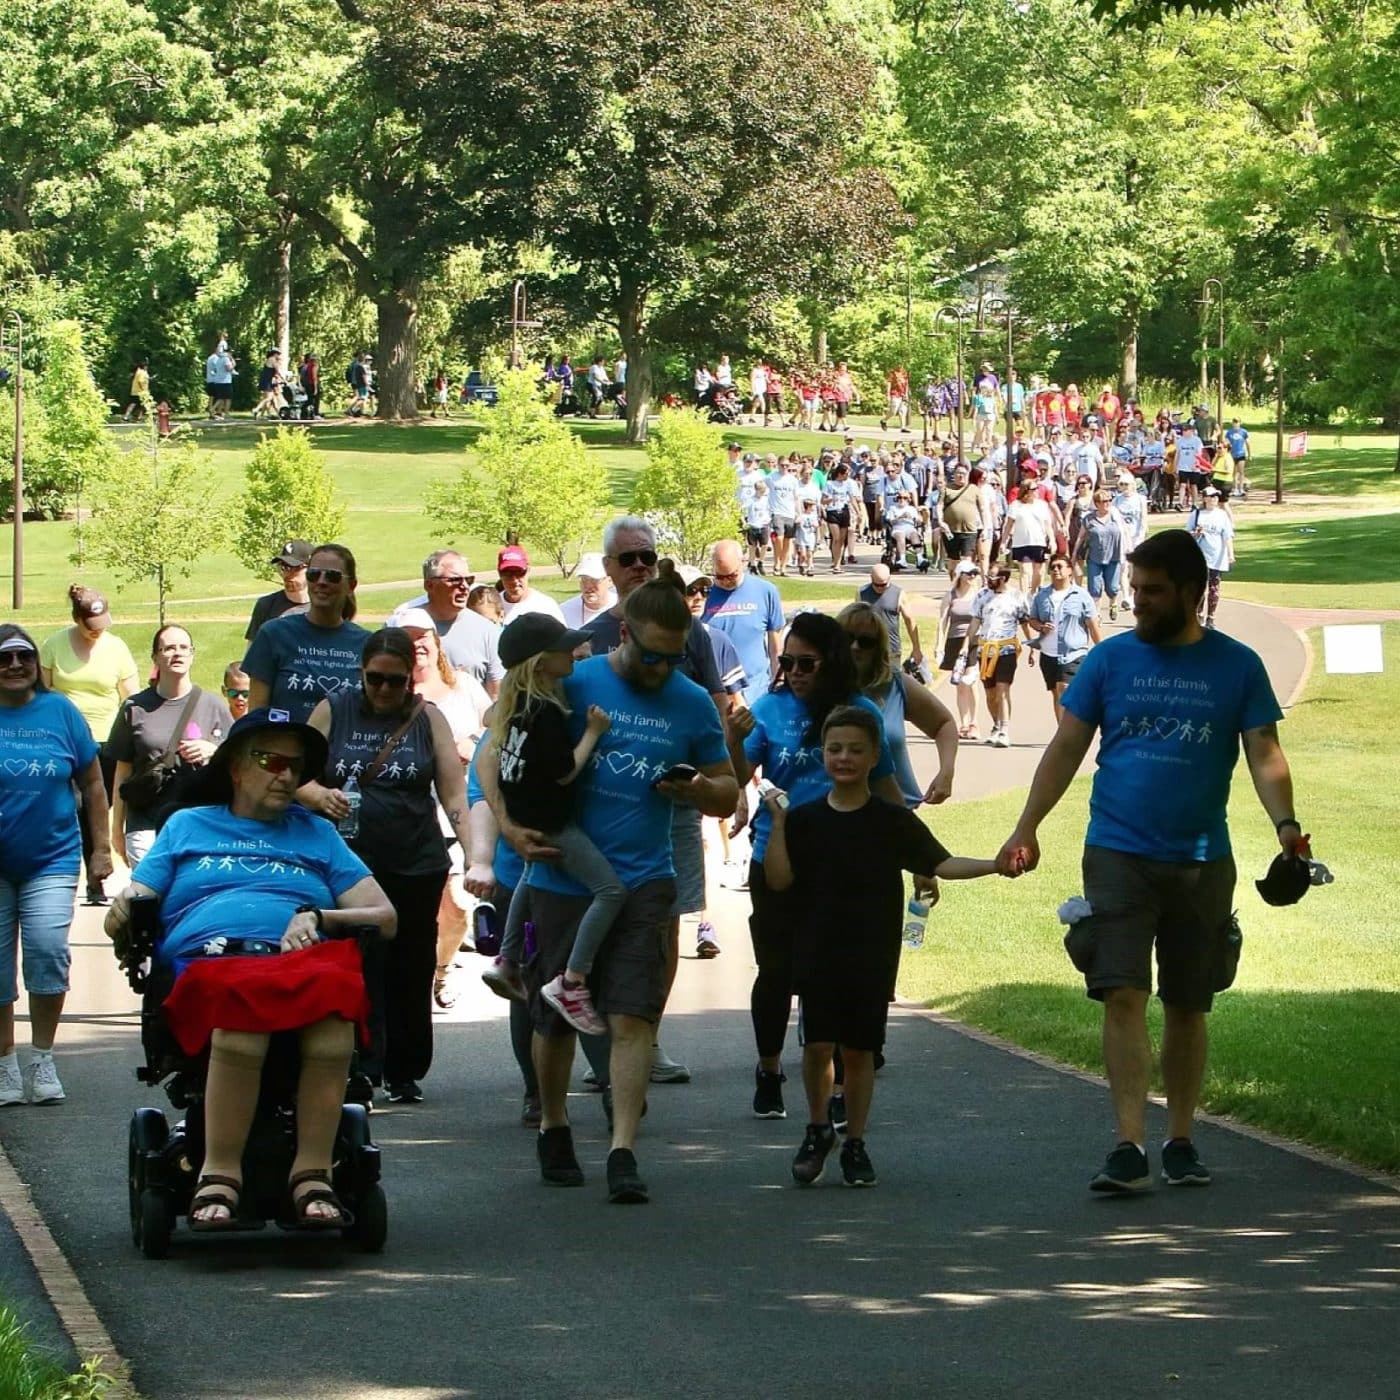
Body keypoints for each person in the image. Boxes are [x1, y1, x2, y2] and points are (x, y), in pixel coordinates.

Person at [997, 529, 1303, 1193]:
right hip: (1117, 852)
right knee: (1122, 993)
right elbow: (1066, 747)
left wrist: (1286, 826)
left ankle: (1182, 1139)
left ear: (1192, 592)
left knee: (1189, 1003)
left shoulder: (1237, 666)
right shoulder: (1110, 661)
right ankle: (1129, 1144)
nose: (1137, 601)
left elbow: (1264, 751)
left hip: (1202, 858)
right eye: (1134, 588)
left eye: (1153, 591)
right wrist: (1027, 826)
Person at [486, 577, 738, 1203]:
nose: (660, 669)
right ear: (622, 633)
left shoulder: (691, 703)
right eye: (649, 655)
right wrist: (510, 826)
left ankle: (623, 1148)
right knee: (555, 1019)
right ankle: (554, 1125)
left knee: (632, 1016)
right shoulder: (573, 679)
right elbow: (493, 751)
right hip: (562, 876)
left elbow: (727, 790)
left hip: (646, 879)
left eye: (673, 658)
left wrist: (698, 790)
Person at [104, 708, 396, 1226]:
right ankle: (219, 1174)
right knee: (242, 1016)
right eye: (272, 761)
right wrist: (123, 911)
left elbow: (384, 916)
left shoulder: (318, 834)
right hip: (212, 960)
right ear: (236, 768)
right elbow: (130, 908)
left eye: (295, 765)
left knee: (334, 1017)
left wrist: (320, 916)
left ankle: (312, 1174)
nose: (286, 774)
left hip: (299, 958)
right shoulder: (187, 825)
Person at [764, 704, 1008, 1186]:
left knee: (859, 1052)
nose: (844, 758)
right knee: (817, 1046)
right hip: (816, 950)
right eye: (835, 749)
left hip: (871, 954)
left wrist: (995, 865)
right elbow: (778, 880)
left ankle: (855, 1140)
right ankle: (818, 1129)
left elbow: (941, 864)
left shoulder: (892, 821)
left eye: (856, 750)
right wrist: (777, 824)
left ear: (875, 756)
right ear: (822, 754)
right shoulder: (804, 819)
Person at [723, 611, 903, 1120]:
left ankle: (841, 1085)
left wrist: (915, 855)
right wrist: (734, 741)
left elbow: (886, 786)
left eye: (807, 663)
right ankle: (769, 1070)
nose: (795, 673)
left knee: (840, 973)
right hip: (777, 856)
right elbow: (738, 778)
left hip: (846, 866)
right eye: (788, 663)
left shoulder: (858, 711)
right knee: (776, 970)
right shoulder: (770, 708)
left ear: (833, 662)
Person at [299, 628, 473, 1105]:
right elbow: (295, 774)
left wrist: (475, 854)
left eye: (394, 681)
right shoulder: (334, 710)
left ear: (410, 680)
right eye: (374, 678)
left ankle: (404, 1068)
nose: (383, 689)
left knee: (411, 966)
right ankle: (359, 1063)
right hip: (349, 865)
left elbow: (453, 791)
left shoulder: (427, 718)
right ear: (361, 673)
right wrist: (319, 796)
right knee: (356, 964)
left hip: (415, 861)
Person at [585, 521, 726, 1085]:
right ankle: (601, 1044)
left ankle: (647, 1036)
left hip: (674, 806)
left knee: (664, 923)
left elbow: (716, 704)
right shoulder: (589, 638)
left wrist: (716, 783)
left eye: (648, 556)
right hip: (600, 811)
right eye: (628, 558)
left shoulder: (691, 632)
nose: (640, 566)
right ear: (609, 568)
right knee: (597, 919)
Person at [479, 614, 624, 1037]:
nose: (574, 653)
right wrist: (593, 732)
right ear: (541, 662)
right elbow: (564, 772)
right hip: (552, 823)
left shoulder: (515, 707)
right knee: (610, 891)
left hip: (525, 815)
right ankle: (572, 981)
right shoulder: (546, 713)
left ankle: (507, 960)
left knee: (530, 874)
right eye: (565, 649)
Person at [0, 626, 112, 1106]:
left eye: (23, 656)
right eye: (4, 658)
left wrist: (101, 848)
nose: (15, 666)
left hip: (52, 858)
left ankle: (42, 1057)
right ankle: (5, 1063)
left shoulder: (61, 711)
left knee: (47, 952)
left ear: (36, 663)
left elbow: (93, 783)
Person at [390, 608, 488, 1008]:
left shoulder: (462, 686)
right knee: (417, 910)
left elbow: (495, 726)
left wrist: (472, 744)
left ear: (436, 641)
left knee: (457, 905)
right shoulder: (389, 692)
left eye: (423, 636)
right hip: (407, 820)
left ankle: (442, 970)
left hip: (457, 814)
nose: (417, 644)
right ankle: (416, 976)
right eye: (408, 638)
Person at [40, 586, 138, 905]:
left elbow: (131, 697)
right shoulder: (54, 645)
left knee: (98, 807)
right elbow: (42, 694)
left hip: (106, 740)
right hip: (65, 741)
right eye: (90, 625)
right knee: (76, 808)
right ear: (76, 619)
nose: (97, 631)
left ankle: (96, 869)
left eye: (102, 624)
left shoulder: (117, 648)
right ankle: (87, 878)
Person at [108, 625, 233, 869]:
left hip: (199, 822)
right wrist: (116, 830)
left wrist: (214, 751)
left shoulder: (214, 706)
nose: (177, 653)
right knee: (151, 890)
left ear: (192, 654)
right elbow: (122, 772)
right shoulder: (134, 708)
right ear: (155, 657)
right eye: (169, 648)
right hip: (145, 823)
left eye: (184, 648)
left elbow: (238, 764)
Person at [839, 602, 957, 808]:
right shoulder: (816, 687)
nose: (855, 647)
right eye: (847, 638)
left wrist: (946, 772)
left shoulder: (895, 684)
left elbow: (943, 724)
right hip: (834, 816)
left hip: (896, 814)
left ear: (878, 648)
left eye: (866, 641)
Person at [242, 544, 371, 722]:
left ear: (351, 586)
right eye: (314, 574)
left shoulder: (367, 644)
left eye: (332, 576)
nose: (321, 582)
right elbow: (255, 715)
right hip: (284, 739)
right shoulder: (274, 634)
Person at [401, 550, 504, 693]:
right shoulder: (403, 626)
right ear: (429, 585)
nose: (464, 586)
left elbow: (496, 695)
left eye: (468, 580)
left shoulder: (488, 631)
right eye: (455, 580)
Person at [961, 566, 1034, 749]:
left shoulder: (1017, 597)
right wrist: (965, 646)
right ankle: (996, 724)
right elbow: (975, 622)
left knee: (1003, 689)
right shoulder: (982, 595)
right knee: (991, 694)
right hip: (985, 650)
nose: (988, 580)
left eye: (992, 577)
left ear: (1003, 578)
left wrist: (1032, 646)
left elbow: (1025, 623)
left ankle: (1004, 730)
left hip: (1006, 649)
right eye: (987, 577)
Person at [703, 540, 783, 703]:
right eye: (720, 576)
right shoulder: (702, 595)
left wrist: (778, 681)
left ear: (743, 562)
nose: (726, 581)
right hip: (718, 692)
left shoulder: (766, 591)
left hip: (758, 689)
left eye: (732, 575)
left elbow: (775, 646)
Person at [1028, 554, 1102, 721]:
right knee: (1056, 693)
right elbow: (1032, 619)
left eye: (1060, 566)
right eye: (1053, 567)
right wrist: (1041, 627)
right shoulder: (1042, 595)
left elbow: (1092, 625)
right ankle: (1062, 729)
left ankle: (1072, 727)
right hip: (1048, 654)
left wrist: (1101, 651)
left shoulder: (1081, 596)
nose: (1055, 570)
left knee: (1064, 688)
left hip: (1073, 653)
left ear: (1070, 570)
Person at [937, 562, 982, 739]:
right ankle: (963, 723)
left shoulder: (979, 595)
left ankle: (974, 722)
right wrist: (939, 644)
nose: (972, 576)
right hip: (954, 641)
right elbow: (942, 621)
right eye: (968, 573)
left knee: (971, 681)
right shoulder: (951, 595)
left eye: (974, 573)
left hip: (973, 641)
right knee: (960, 684)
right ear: (960, 575)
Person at [244, 539, 312, 642]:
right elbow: (253, 647)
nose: (288, 574)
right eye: (284, 567)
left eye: (296, 568)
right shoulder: (266, 605)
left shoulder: (327, 606)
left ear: (312, 569)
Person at [1076, 490, 1127, 623]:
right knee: (1094, 588)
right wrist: (1074, 553)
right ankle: (1096, 614)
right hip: (1095, 558)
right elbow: (1081, 537)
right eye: (1104, 501)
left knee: (1113, 588)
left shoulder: (1115, 516)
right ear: (1097, 503)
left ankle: (1113, 603)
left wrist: (1128, 550)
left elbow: (1125, 533)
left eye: (1109, 500)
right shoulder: (1089, 519)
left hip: (1113, 557)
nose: (1107, 503)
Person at [857, 565, 922, 669]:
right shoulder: (861, 593)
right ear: (871, 578)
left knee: (893, 678)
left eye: (883, 585)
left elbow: (910, 621)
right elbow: (856, 621)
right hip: (868, 650)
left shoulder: (898, 594)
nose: (880, 588)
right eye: (876, 585)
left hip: (892, 650)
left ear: (889, 579)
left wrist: (916, 648)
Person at [1189, 488, 1235, 629]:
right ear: (1205, 498)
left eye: (1216, 496)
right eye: (1211, 496)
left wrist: (1230, 554)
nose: (1214, 499)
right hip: (1200, 556)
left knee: (1214, 587)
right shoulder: (1196, 514)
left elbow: (1227, 536)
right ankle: (1199, 615)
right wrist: (1196, 533)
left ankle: (1211, 617)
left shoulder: (1222, 515)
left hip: (1217, 556)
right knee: (1200, 587)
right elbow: (1188, 534)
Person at [1001, 480, 1058, 595]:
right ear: (1026, 491)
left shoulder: (1042, 505)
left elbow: (1048, 525)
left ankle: (1033, 593)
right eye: (1034, 489)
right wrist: (1003, 542)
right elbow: (1009, 525)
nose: (1037, 491)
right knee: (1025, 571)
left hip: (1039, 542)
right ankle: (1024, 596)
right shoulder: (1015, 505)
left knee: (1039, 571)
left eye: (1037, 488)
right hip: (1021, 542)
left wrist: (1052, 540)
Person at [497, 546, 564, 623]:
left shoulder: (546, 606)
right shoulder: (490, 607)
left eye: (519, 572)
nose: (514, 580)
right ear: (499, 573)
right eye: (507, 573)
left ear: (528, 570)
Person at [939, 463, 984, 579]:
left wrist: (985, 527)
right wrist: (940, 521)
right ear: (954, 474)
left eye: (963, 473)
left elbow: (982, 509)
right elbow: (939, 506)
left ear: (968, 474)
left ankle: (964, 585)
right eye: (958, 473)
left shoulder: (974, 489)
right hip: (950, 531)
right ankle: (954, 583)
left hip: (969, 531)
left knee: (966, 561)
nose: (960, 476)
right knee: (953, 560)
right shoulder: (946, 489)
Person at [561, 553, 617, 630]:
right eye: (584, 579)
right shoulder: (564, 611)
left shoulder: (621, 607)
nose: (588, 585)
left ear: (610, 580)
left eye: (594, 580)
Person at [205, 343, 235, 419]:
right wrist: (233, 363)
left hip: (218, 381)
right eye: (230, 352)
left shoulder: (219, 358)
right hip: (225, 381)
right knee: (227, 398)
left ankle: (219, 411)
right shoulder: (226, 359)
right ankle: (217, 410)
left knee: (221, 398)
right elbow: (229, 368)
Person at [1224, 418, 1251, 498]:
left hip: (1241, 453)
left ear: (1239, 423)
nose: (1235, 424)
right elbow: (1226, 442)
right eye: (1234, 422)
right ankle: (1235, 488)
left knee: (1241, 472)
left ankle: (1241, 488)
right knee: (1234, 473)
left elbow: (1247, 443)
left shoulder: (1243, 432)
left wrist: (1249, 454)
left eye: (1237, 422)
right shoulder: (1229, 432)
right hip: (1232, 454)